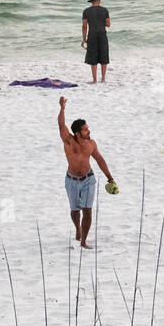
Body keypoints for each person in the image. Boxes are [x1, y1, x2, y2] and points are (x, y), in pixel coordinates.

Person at [58, 96, 114, 249]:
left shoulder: (91, 144)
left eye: (88, 128)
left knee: (87, 211)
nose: (89, 131)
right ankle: (78, 229)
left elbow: (100, 160)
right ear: (77, 133)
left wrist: (110, 177)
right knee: (75, 211)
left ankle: (83, 241)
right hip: (71, 180)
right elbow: (61, 124)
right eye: (85, 129)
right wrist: (62, 109)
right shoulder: (68, 141)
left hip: (88, 179)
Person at [82, 0, 111, 83]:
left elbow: (84, 26)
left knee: (93, 58)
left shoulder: (86, 11)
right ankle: (103, 79)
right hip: (102, 35)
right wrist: (101, 22)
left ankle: (94, 80)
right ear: (99, 1)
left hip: (92, 36)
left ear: (92, 2)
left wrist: (84, 39)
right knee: (104, 57)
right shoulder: (105, 10)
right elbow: (108, 24)